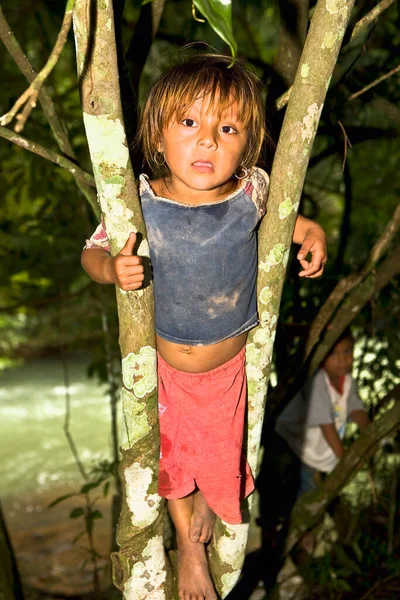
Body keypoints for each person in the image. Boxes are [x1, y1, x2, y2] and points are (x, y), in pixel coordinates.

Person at [81, 54, 327, 600]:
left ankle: (210, 517)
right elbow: (92, 251)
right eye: (189, 123)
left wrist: (312, 233)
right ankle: (189, 553)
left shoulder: (252, 194)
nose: (208, 140)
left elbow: (291, 219)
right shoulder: (138, 202)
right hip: (164, 369)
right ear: (158, 133)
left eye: (228, 127)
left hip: (230, 371)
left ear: (249, 143)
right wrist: (110, 268)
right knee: (170, 460)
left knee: (220, 461)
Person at [275, 328, 370, 553]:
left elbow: (355, 408)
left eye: (347, 352)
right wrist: (345, 459)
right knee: (305, 488)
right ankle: (302, 535)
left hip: (316, 447)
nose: (342, 360)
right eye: (334, 355)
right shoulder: (318, 381)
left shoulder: (347, 381)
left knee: (313, 486)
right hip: (296, 443)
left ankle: (308, 535)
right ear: (323, 357)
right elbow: (326, 425)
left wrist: (369, 429)